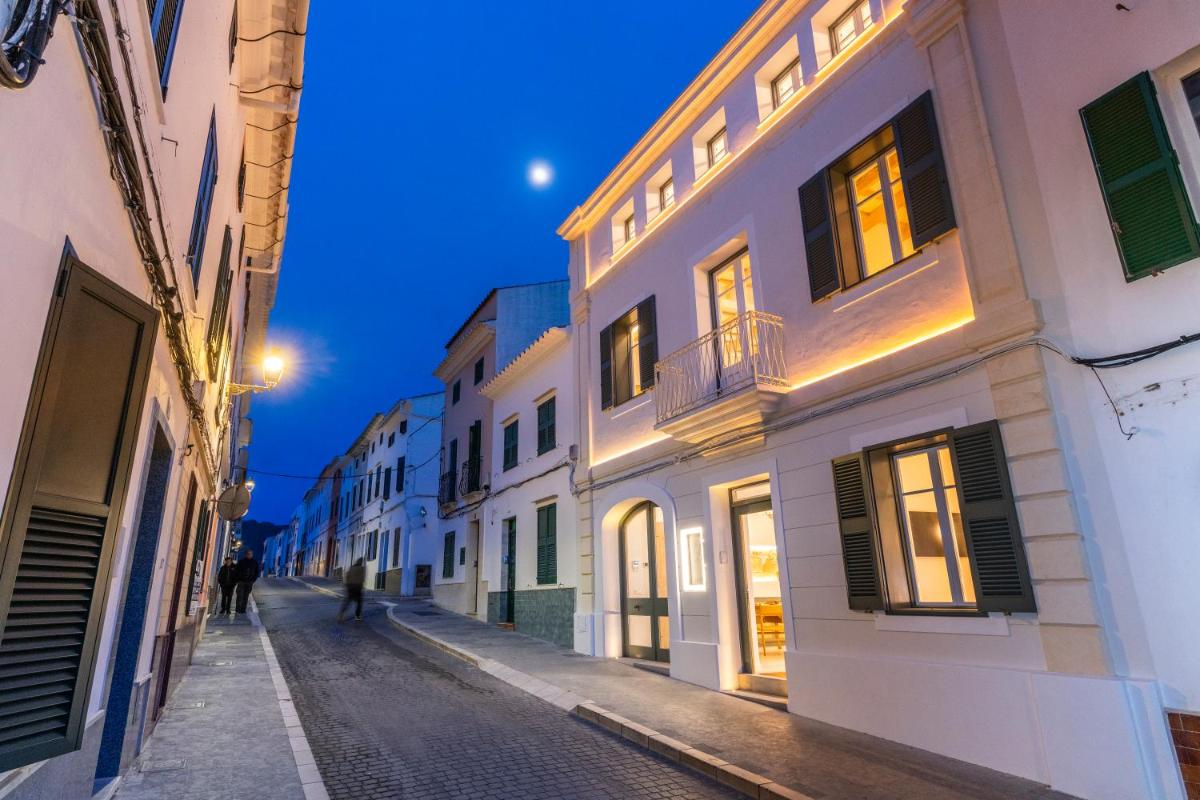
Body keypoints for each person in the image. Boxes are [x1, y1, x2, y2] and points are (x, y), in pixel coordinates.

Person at [338, 557, 366, 622]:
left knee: (347, 601)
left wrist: (347, 585)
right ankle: (357, 616)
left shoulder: (351, 568)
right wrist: (361, 586)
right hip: (357, 587)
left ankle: (341, 614)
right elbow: (362, 578)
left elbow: (347, 576)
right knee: (359, 602)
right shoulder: (362, 568)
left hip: (350, 586)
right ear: (361, 562)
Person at [234, 549, 260, 614]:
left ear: (252, 555)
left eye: (250, 554)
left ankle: (243, 609)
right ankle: (238, 609)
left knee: (246, 596)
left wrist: (253, 580)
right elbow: (236, 571)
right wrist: (238, 579)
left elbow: (256, 572)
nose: (249, 555)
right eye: (248, 554)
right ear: (245, 554)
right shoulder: (241, 562)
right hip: (241, 581)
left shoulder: (254, 562)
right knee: (240, 596)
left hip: (249, 582)